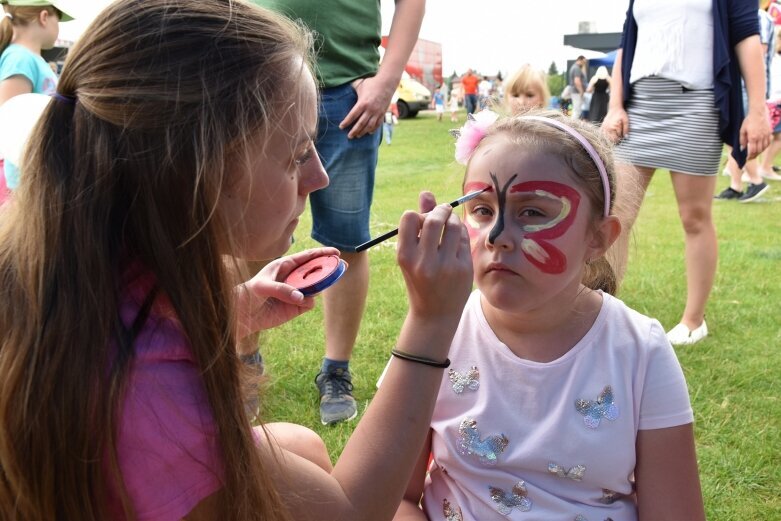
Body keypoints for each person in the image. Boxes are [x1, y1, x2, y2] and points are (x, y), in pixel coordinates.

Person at [0, 1, 476, 519]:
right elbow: (353, 513)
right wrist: (431, 322)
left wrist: (236, 309)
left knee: (303, 445)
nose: (318, 177)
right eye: (296, 154)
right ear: (194, 171)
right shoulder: (153, 401)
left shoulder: (67, 252)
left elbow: (126, 321)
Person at [394, 110, 705, 521]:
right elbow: (392, 499)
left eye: (534, 213)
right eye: (483, 210)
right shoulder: (437, 333)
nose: (497, 237)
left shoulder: (640, 352)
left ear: (598, 237)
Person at [254, 0, 425, 425]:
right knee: (249, 230)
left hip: (349, 92)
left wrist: (388, 80)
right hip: (257, 80)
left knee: (347, 239)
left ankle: (336, 370)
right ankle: (243, 361)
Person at [602, 0, 772, 345]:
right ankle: (602, 307)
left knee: (694, 216)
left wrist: (757, 111)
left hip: (695, 105)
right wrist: (615, 105)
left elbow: (747, 39)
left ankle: (694, 321)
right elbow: (627, 43)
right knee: (614, 213)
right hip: (639, 108)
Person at [0, 0, 74, 191]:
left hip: (40, 170)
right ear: (43, 17)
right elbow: (9, 120)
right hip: (25, 179)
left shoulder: (32, 59)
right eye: (57, 20)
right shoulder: (19, 59)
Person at [716, 2, 775, 202]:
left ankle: (756, 180)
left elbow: (759, 50)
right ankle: (737, 184)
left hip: (746, 85)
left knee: (740, 136)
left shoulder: (761, 18)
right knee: (733, 137)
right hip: (738, 83)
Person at [568, 55, 587, 119]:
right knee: (577, 111)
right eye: (584, 62)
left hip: (575, 91)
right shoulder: (576, 68)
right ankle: (572, 126)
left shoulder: (576, 67)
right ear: (580, 60)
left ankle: (572, 125)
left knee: (576, 110)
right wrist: (581, 91)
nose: (584, 63)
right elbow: (577, 81)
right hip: (576, 92)